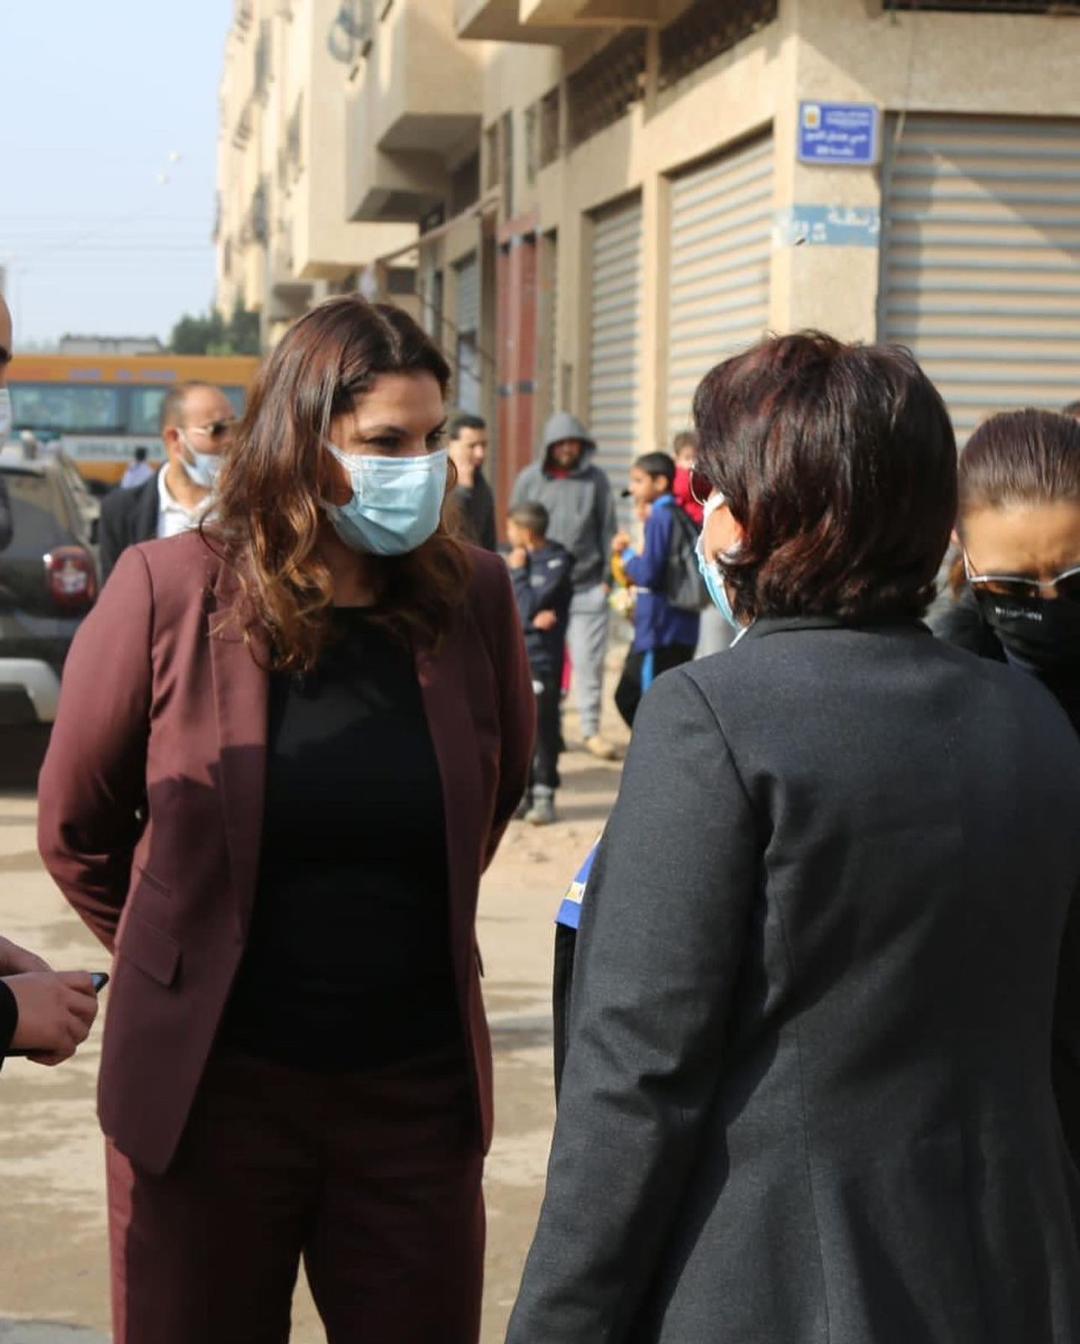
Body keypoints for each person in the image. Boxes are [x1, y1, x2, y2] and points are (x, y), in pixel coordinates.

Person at [506, 332, 1080, 1344]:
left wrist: (557, 1326)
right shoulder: (1028, 720)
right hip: (1012, 1272)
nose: (703, 514)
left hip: (779, 1284)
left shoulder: (712, 717)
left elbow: (635, 1080)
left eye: (709, 487)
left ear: (765, 515)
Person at [37, 296, 534, 1344]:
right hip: (210, 1100)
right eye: (386, 443)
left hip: (412, 1106)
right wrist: (183, 957)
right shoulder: (168, 589)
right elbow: (76, 824)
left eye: (434, 438)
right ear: (301, 444)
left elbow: (487, 801)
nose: (422, 467)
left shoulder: (474, 597)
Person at [932, 408, 1080, 734]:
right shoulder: (940, 711)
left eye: (1075, 581)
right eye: (1013, 586)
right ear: (961, 544)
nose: (1049, 600)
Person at [511, 412, 617, 761]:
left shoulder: (596, 481)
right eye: (561, 442)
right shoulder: (529, 479)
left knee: (588, 663)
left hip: (586, 585)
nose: (568, 448)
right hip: (543, 595)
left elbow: (607, 528)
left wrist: (606, 581)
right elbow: (516, 526)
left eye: (574, 442)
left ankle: (590, 730)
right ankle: (546, 733)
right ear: (549, 446)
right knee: (544, 666)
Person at [98, 380, 236, 581]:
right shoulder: (119, 511)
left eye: (235, 427)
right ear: (174, 439)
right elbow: (113, 600)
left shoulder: (249, 509)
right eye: (218, 430)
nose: (231, 440)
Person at [612, 452, 701, 728]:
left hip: (660, 629)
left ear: (660, 482)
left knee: (640, 700)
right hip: (678, 625)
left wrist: (627, 556)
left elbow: (648, 573)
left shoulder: (661, 516)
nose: (634, 488)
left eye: (639, 481)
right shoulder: (680, 514)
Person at [506, 501, 573, 826]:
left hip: (544, 659)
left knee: (543, 726)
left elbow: (524, 609)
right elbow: (516, 612)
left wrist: (518, 575)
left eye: (511, 528)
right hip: (516, 657)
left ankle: (545, 792)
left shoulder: (557, 561)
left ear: (526, 533)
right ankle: (524, 794)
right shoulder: (516, 559)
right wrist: (530, 617)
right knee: (519, 728)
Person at [447, 411, 496, 551]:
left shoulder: (482, 488)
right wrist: (462, 493)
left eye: (483, 445)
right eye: (472, 446)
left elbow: (488, 543)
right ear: (451, 446)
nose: (480, 453)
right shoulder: (434, 482)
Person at [670, 429, 704, 528]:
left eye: (696, 458)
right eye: (687, 458)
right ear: (677, 459)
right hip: (691, 520)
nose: (692, 462)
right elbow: (685, 490)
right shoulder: (681, 475)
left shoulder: (697, 473)